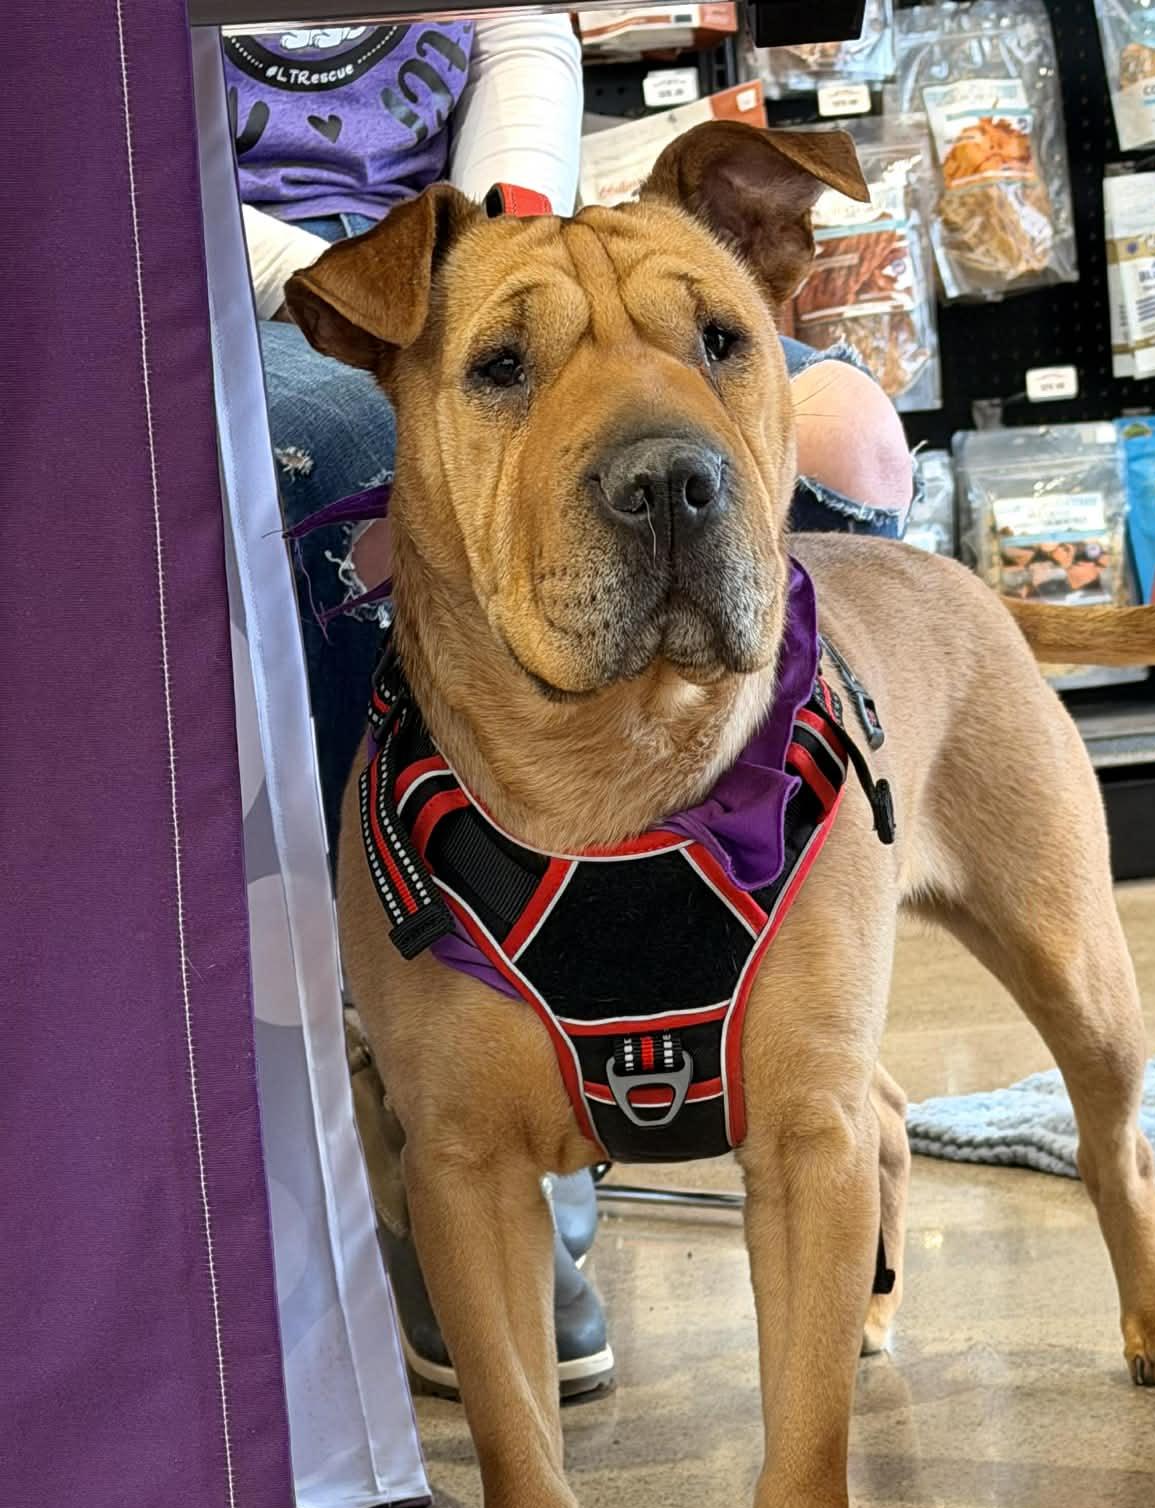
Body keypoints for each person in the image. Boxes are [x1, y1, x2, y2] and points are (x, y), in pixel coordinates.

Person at [235, 15, 914, 1399]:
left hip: (506, 221)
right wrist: (422, 297)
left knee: (851, 425)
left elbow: (519, 32)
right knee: (350, 438)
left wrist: (520, 224)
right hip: (261, 277)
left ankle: (790, 970)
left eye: (717, 338)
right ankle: (445, 1059)